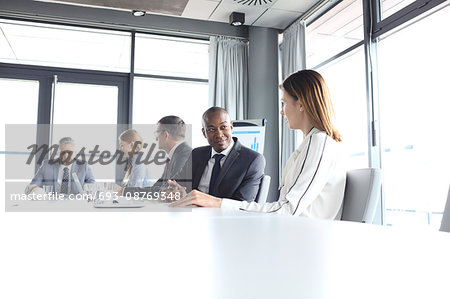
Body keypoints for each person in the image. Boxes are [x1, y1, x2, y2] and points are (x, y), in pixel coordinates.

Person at [171, 70, 346, 220]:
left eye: (284, 103)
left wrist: (216, 202)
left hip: (301, 238)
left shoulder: (319, 143)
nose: (281, 111)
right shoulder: (312, 144)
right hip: (293, 232)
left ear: (300, 104)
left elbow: (287, 210)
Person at [169, 107, 265, 203]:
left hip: (225, 217)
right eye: (211, 129)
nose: (219, 134)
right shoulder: (197, 154)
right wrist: (172, 191)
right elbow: (176, 183)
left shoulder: (253, 160)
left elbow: (242, 204)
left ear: (231, 127)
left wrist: (192, 198)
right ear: (204, 133)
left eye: (223, 127)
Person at [118, 116, 192, 196]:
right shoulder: (175, 155)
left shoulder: (184, 155)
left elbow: (168, 191)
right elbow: (157, 188)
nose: (156, 138)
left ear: (165, 135)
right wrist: (123, 191)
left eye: (157, 133)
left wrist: (123, 191)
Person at [25, 137, 95, 195]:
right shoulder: (47, 165)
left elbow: (92, 186)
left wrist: (90, 191)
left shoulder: (83, 166)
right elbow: (32, 185)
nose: (66, 155)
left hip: (75, 205)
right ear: (58, 153)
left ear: (75, 153)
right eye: (63, 152)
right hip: (52, 205)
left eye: (70, 152)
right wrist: (34, 189)